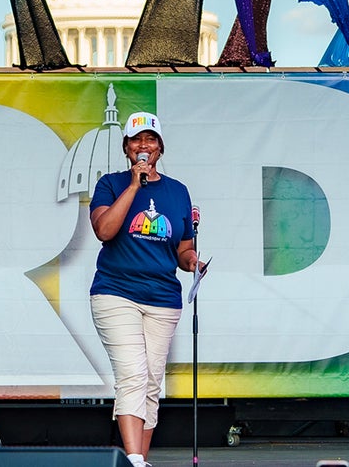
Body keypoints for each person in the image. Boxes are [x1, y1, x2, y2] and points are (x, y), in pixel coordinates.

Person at [89, 111, 200, 467]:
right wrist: (134, 186)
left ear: (160, 147)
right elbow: (104, 231)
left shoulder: (178, 191)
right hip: (115, 292)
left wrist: (192, 261)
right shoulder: (110, 184)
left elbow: (183, 249)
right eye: (136, 140)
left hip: (164, 299)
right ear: (126, 147)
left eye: (150, 139)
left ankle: (139, 460)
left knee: (152, 382)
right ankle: (134, 460)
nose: (143, 145)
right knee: (133, 375)